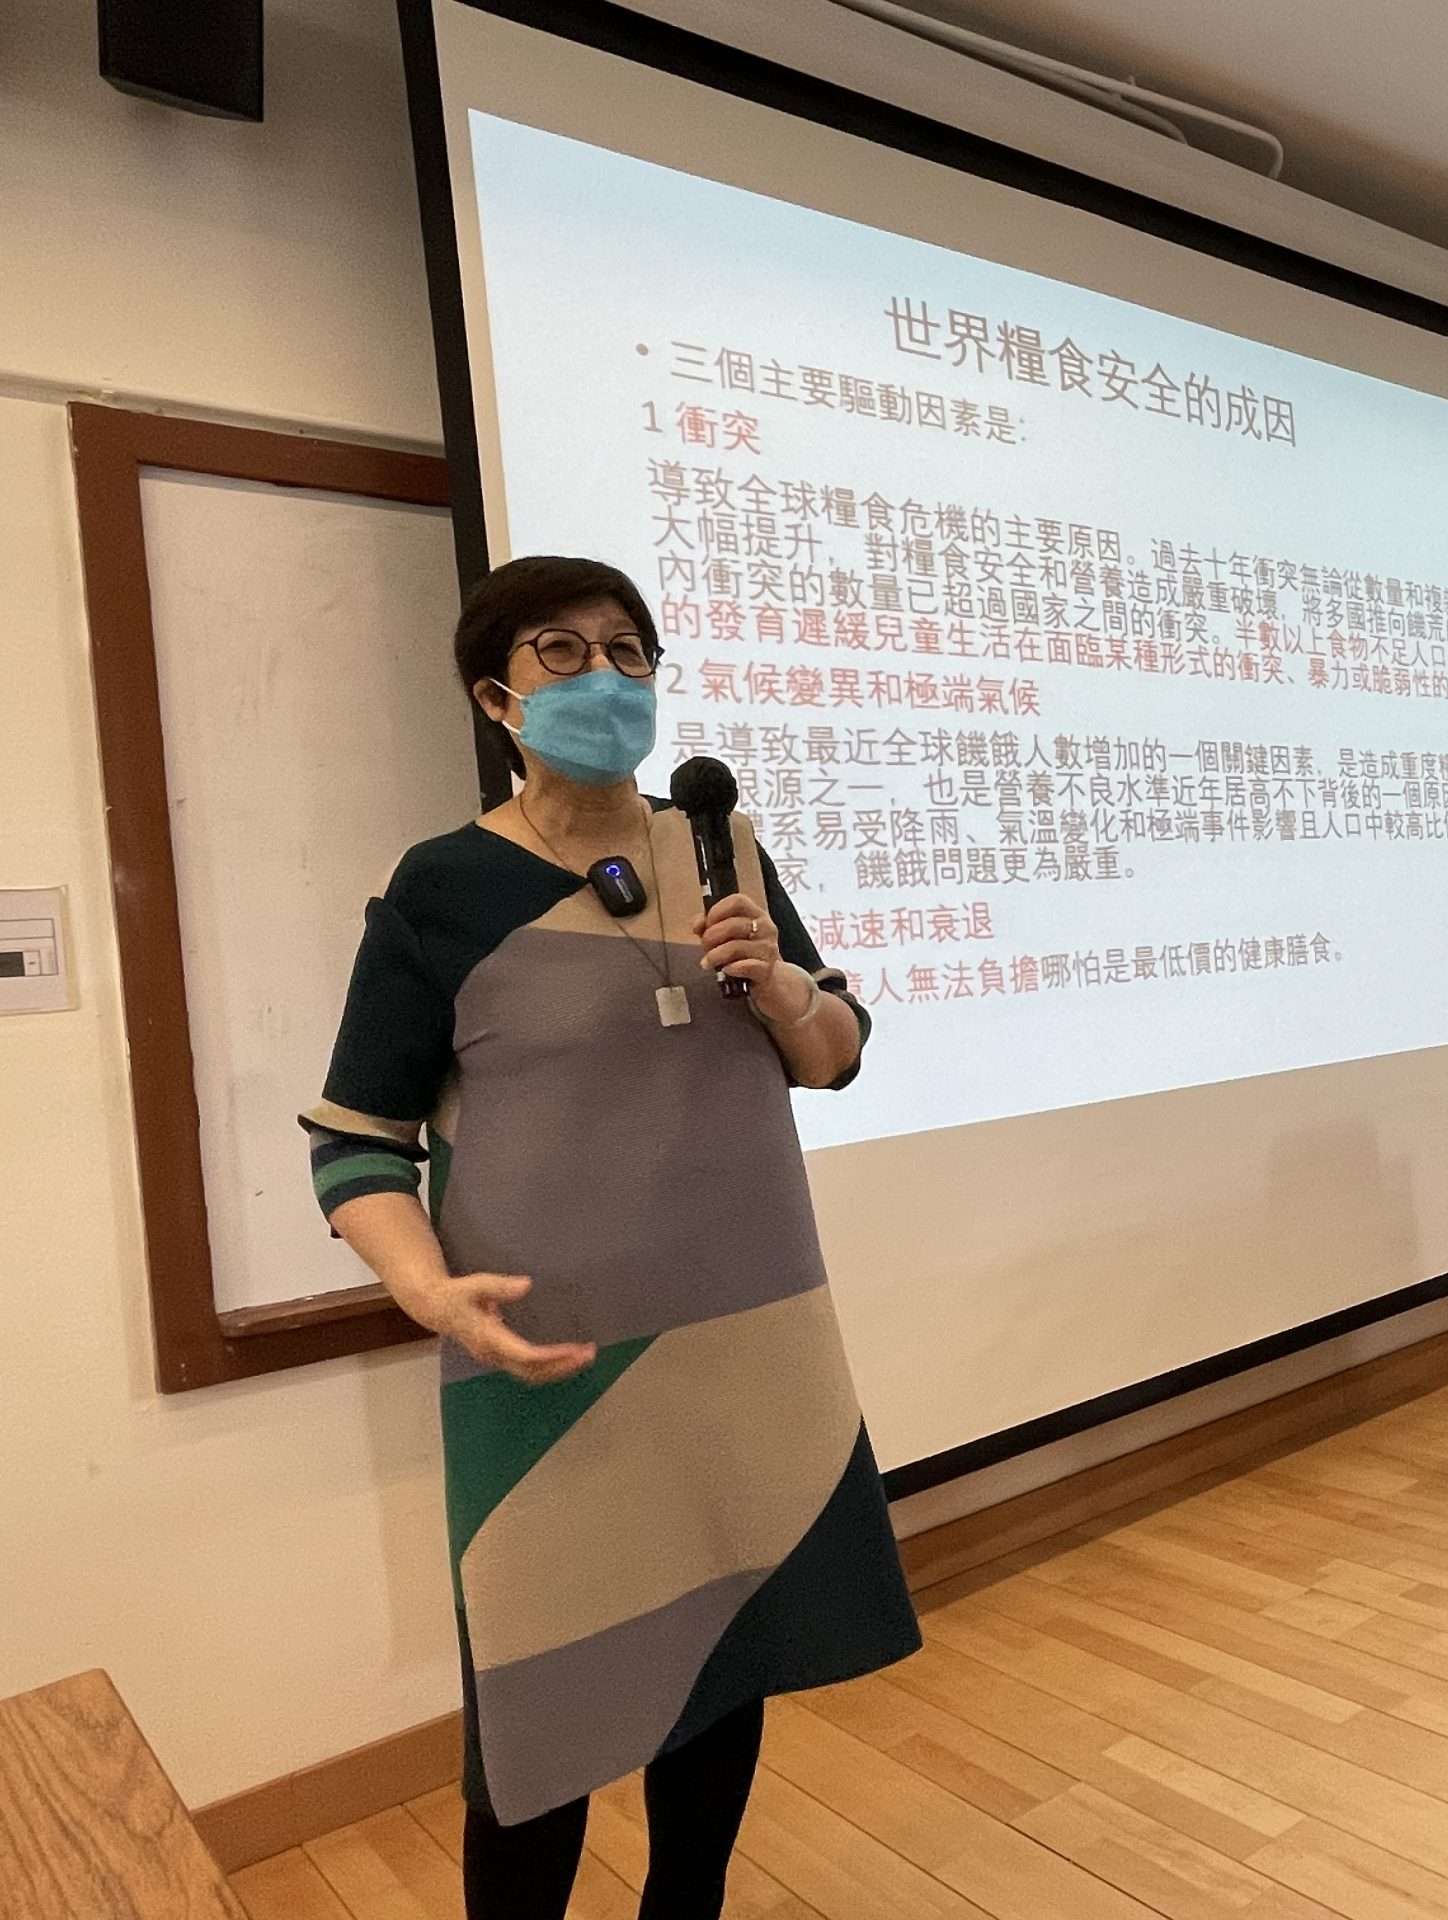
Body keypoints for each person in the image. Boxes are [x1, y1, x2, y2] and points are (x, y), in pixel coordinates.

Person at [301, 556, 919, 1919]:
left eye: (630, 650)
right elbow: (354, 1141)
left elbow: (835, 1055)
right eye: (564, 652)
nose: (607, 676)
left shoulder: (723, 847)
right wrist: (428, 1292)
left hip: (752, 1339)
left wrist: (784, 993)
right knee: (545, 1719)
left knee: (727, 1661)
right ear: (497, 698)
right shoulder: (444, 886)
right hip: (555, 1368)